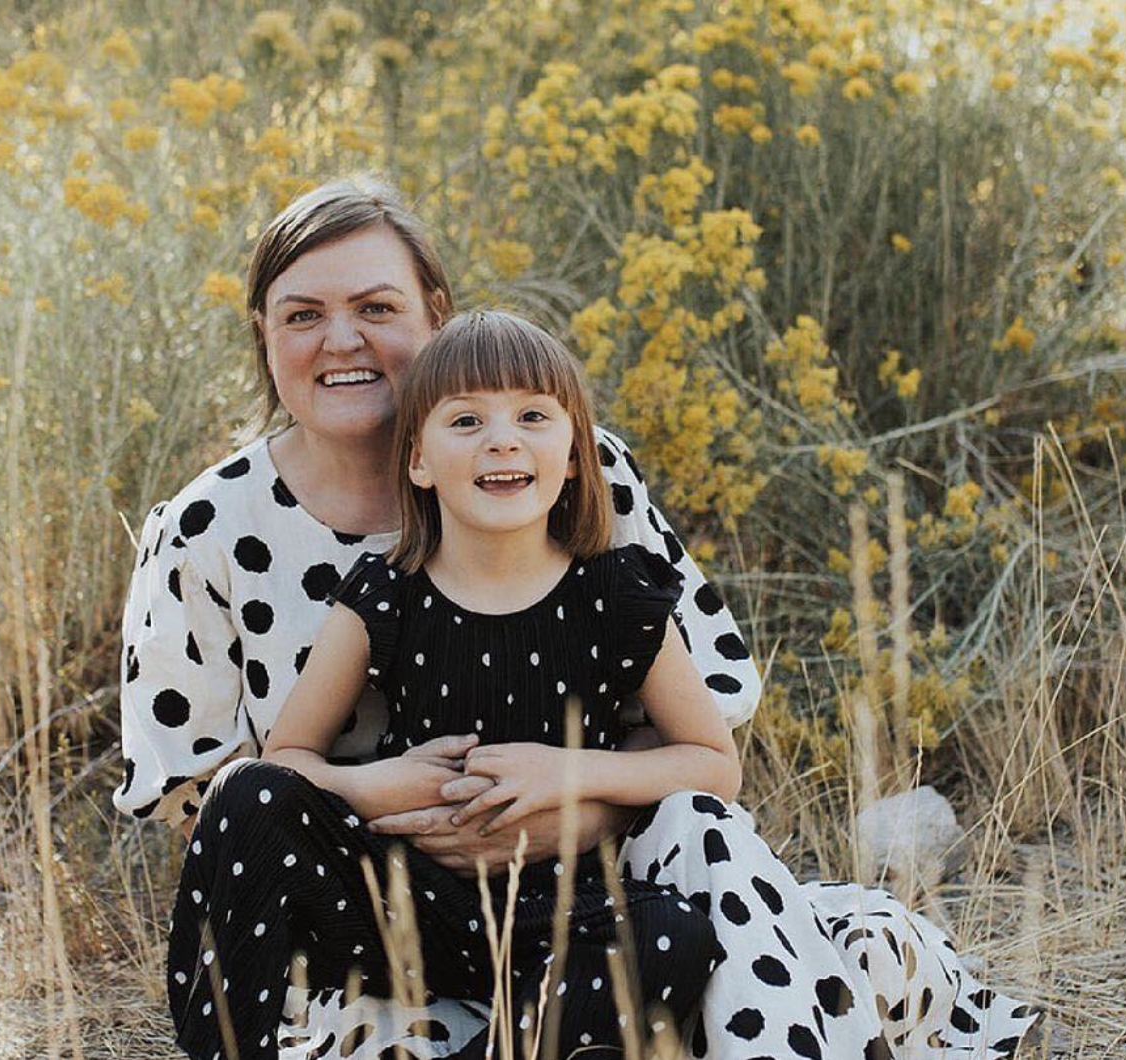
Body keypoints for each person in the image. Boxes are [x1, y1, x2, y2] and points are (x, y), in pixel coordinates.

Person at [116, 176, 1040, 1060]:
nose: (342, 339)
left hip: (597, 892)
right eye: (303, 316)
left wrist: (575, 808)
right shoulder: (209, 531)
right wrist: (390, 796)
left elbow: (703, 732)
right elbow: (215, 803)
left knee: (817, 941)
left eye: (377, 307)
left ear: (435, 314)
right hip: (374, 914)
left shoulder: (577, 475)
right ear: (263, 334)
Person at [169, 309, 738, 1060]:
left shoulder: (617, 596)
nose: (503, 440)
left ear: (575, 455)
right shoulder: (384, 596)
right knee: (244, 792)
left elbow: (713, 763)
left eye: (533, 416)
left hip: (560, 915)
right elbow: (288, 763)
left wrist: (568, 773)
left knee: (672, 933)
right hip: (406, 906)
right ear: (418, 461)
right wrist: (377, 785)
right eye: (467, 421)